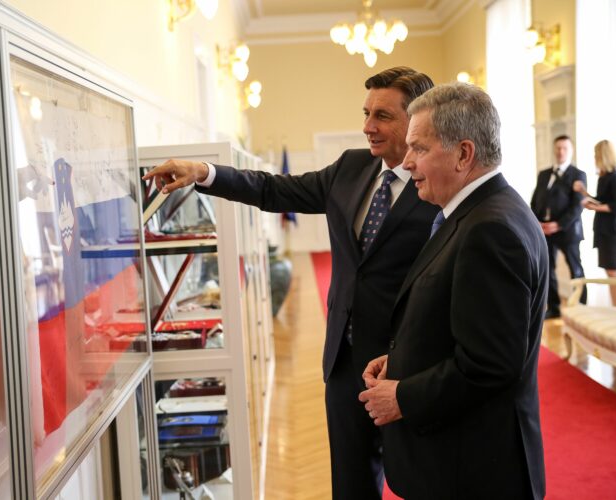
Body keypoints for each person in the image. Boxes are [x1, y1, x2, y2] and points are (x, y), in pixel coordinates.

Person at [143, 67, 438, 499]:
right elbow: (272, 189)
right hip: (344, 361)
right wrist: (204, 171)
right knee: (352, 482)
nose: (367, 127)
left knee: (418, 480)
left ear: (415, 121)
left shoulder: (439, 185)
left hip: (408, 366)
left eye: (382, 116)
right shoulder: (351, 168)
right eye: (365, 113)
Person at [359, 83, 547, 499]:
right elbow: (464, 321)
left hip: (473, 470)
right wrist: (403, 358)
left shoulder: (491, 230)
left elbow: (492, 364)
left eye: (419, 149)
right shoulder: (477, 212)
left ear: (464, 154)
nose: (406, 163)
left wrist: (403, 396)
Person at [530, 134, 587, 318]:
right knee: (548, 269)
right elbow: (535, 200)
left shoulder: (578, 175)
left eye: (564, 148)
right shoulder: (544, 174)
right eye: (558, 148)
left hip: (568, 231)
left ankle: (581, 309)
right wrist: (536, 221)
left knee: (575, 269)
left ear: (571, 151)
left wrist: (558, 225)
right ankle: (554, 308)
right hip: (544, 231)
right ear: (554, 150)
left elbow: (577, 206)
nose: (560, 151)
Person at [573, 140, 616, 307]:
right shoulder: (605, 176)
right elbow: (603, 200)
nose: (594, 158)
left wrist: (594, 208)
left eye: (595, 154)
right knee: (611, 273)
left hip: (615, 231)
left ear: (602, 155)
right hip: (606, 230)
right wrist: (585, 193)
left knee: (614, 274)